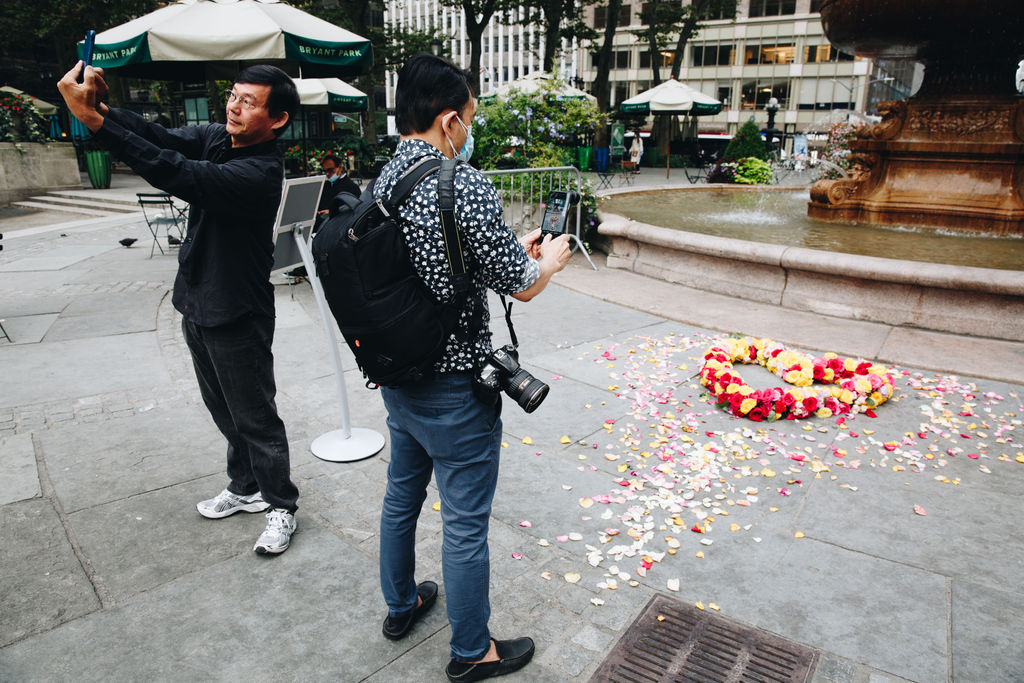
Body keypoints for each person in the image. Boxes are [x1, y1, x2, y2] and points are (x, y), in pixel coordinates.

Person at [373, 53, 571, 683]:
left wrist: (514, 250)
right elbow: (523, 286)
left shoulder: (385, 182)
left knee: (402, 494)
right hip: (457, 386)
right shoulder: (461, 181)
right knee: (463, 522)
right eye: (471, 119)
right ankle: (471, 653)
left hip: (399, 375)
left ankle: (402, 603)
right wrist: (552, 258)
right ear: (451, 120)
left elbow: (440, 265)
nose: (470, 132)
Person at [57, 62, 302, 556]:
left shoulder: (259, 171)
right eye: (233, 96)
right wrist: (103, 108)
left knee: (255, 417)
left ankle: (282, 505)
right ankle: (245, 485)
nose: (234, 107)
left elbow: (177, 172)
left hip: (238, 309)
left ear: (276, 119)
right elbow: (156, 134)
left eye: (249, 102)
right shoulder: (219, 137)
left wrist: (97, 124)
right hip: (196, 299)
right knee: (224, 411)